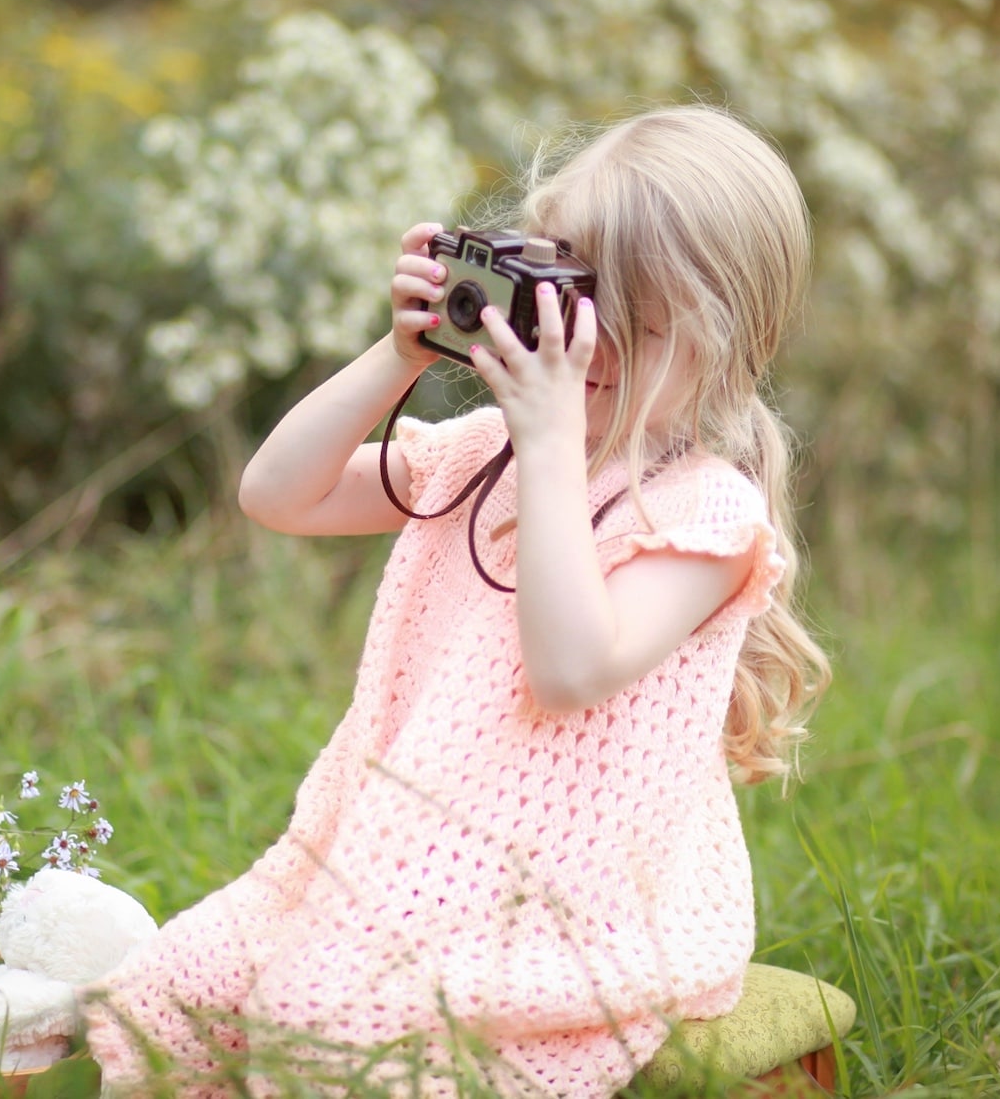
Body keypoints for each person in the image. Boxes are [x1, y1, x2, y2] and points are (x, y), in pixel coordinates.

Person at [84, 104, 832, 1097]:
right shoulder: (489, 454)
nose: (584, 342)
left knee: (322, 1023)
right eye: (567, 296)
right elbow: (278, 495)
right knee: (170, 991)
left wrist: (552, 445)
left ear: (724, 338)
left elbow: (570, 671)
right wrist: (401, 353)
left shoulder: (707, 515)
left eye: (630, 322)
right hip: (399, 859)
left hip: (578, 903)